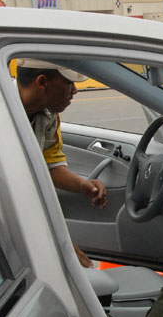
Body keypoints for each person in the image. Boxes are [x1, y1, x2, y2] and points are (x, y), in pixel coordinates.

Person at [15, 59, 107, 267]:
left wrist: (83, 185)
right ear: (42, 82)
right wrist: (54, 242)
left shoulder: (49, 115)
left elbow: (51, 164)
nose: (74, 91)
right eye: (68, 83)